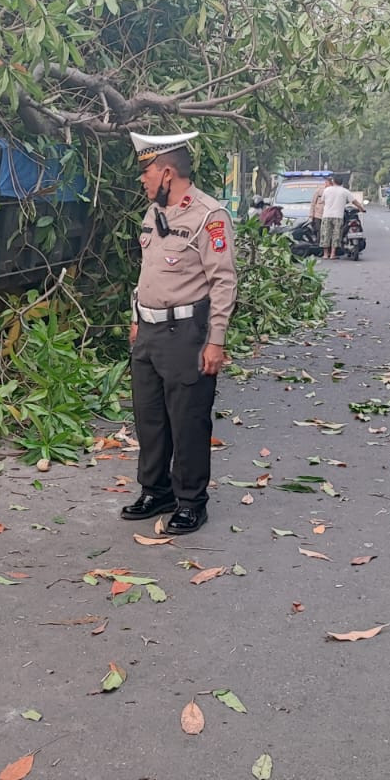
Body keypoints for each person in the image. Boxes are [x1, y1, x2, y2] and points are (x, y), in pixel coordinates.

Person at [122, 130, 238, 535]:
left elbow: (223, 282)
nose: (143, 179)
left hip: (187, 331)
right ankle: (157, 491)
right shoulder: (154, 214)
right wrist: (135, 314)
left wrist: (216, 339)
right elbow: (148, 268)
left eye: (146, 171)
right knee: (150, 418)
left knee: (187, 420)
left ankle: (191, 501)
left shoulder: (209, 216)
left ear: (167, 172)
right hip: (150, 331)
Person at [319, 176, 354, 258]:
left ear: (333, 181)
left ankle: (325, 254)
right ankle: (333, 254)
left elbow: (322, 201)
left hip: (327, 215)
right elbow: (353, 201)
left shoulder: (327, 190)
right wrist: (361, 208)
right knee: (336, 234)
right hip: (338, 216)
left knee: (325, 234)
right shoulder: (345, 191)